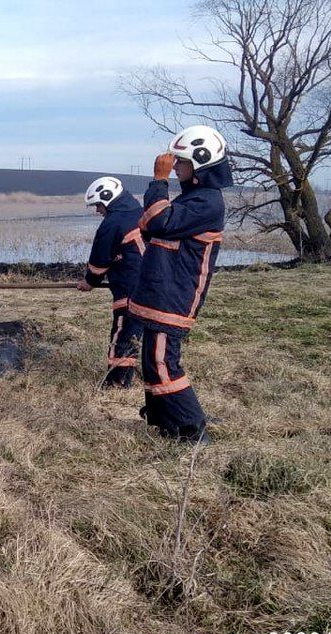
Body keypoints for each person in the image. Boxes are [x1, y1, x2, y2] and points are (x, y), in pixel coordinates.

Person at [129, 124, 233, 443]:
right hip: (163, 292)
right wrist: (156, 213)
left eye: (181, 162)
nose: (175, 167)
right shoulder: (194, 198)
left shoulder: (207, 202)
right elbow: (149, 225)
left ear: (200, 165)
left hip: (175, 295)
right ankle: (165, 423)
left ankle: (192, 429)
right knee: (152, 360)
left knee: (163, 360)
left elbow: (158, 221)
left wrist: (158, 181)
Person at [76, 176, 145, 388]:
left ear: (108, 198)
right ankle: (129, 379)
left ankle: (116, 383)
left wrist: (89, 281)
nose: (98, 210)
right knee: (136, 334)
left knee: (122, 334)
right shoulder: (140, 213)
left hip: (129, 289)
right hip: (151, 287)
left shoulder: (112, 224)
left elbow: (99, 262)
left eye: (98, 205)